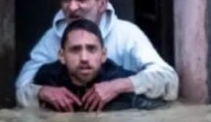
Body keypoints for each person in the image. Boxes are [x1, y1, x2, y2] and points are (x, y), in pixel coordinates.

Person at [16, 0, 179, 110]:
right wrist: (43, 92)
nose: (72, 7)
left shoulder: (127, 34)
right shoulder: (51, 39)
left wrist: (117, 86)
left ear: (102, 4)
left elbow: (169, 82)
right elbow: (21, 90)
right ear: (61, 54)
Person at [27, 19, 163, 112]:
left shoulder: (118, 79)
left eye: (91, 49)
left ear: (103, 55)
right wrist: (39, 92)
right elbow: (23, 98)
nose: (84, 58)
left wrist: (116, 87)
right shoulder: (48, 78)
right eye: (75, 50)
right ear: (62, 56)